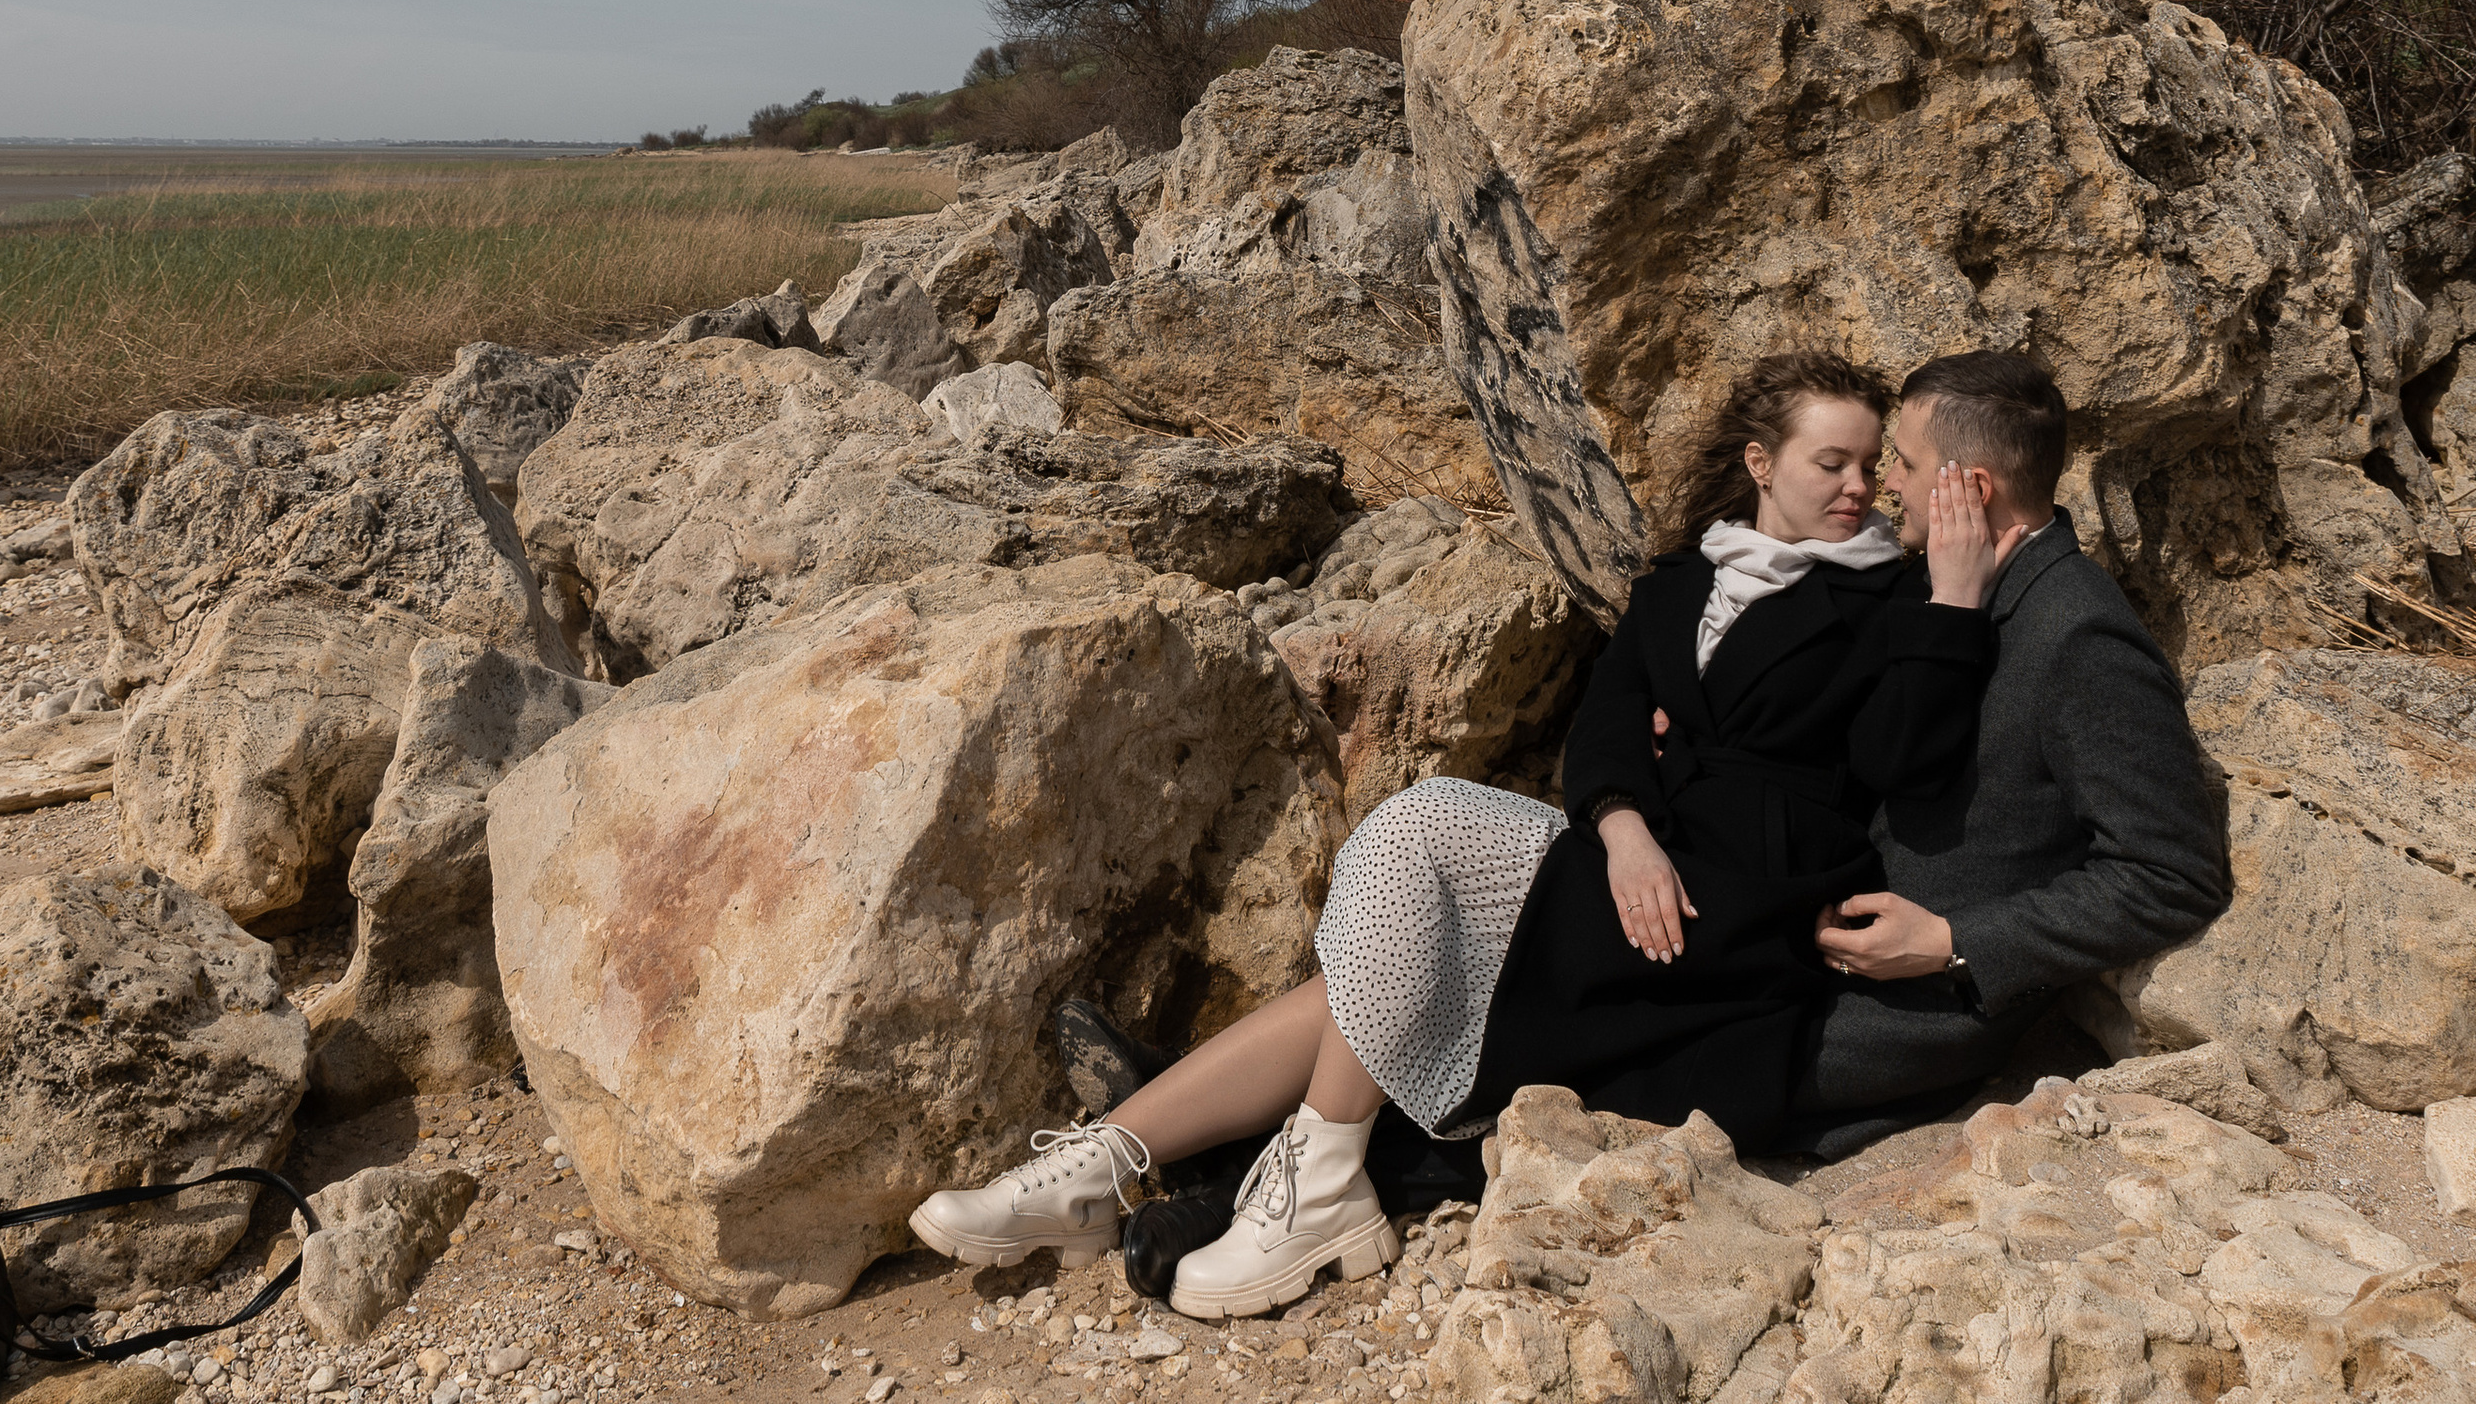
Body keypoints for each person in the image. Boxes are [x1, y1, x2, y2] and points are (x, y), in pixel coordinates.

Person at [908, 351, 2000, 1314]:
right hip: (1631, 866)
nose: (1861, 488)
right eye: (1833, 463)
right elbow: (1608, 724)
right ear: (1761, 464)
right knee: (1398, 920)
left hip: (1736, 914)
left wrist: (1952, 600)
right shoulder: (1681, 579)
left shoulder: (1895, 604)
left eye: (1871, 467)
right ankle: (1134, 1166)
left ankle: (1247, 1173)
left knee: (1424, 830)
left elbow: (1902, 762)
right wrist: (1622, 826)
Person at [1786, 351, 2231, 1149]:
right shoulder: (1940, 580)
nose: (1885, 481)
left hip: (1887, 1011)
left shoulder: (2080, 635)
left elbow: (2173, 874)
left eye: (1906, 461)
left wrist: (1954, 943)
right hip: (1801, 937)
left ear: (1973, 489)